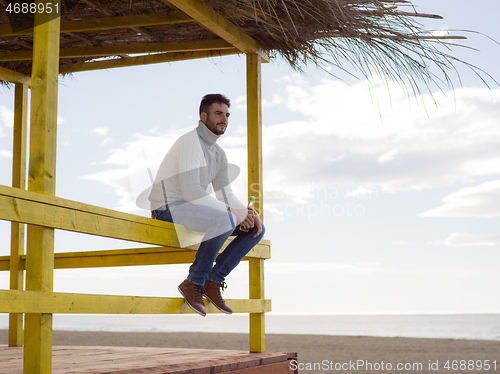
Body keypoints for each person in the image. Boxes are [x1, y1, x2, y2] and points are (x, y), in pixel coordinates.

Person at [149, 94, 264, 317]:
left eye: (227, 115)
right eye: (218, 113)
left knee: (256, 229)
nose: (224, 119)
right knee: (226, 217)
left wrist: (249, 212)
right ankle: (194, 282)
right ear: (203, 116)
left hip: (193, 210)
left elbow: (225, 194)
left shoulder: (219, 154)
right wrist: (233, 212)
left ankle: (214, 280)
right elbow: (192, 191)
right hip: (166, 208)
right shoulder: (189, 142)